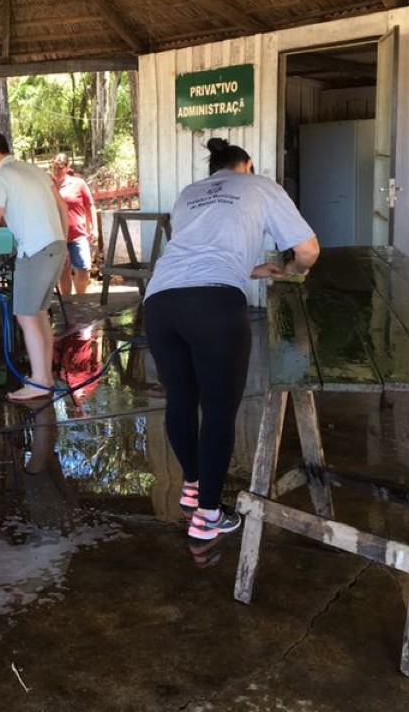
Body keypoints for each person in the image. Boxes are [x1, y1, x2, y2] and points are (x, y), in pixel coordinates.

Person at [144, 138, 319, 541]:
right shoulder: (261, 185)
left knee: (181, 400)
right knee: (219, 410)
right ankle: (207, 516)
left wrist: (255, 270)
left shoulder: (190, 194)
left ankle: (192, 486)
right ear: (249, 164)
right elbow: (308, 250)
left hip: (160, 302)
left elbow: (200, 251)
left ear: (214, 172)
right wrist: (292, 268)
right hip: (214, 306)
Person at [0, 128, 69, 401]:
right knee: (38, 313)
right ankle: (45, 375)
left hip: (35, 250)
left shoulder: (0, 179)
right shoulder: (35, 170)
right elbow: (63, 208)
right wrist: (62, 243)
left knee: (26, 315)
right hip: (55, 246)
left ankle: (40, 380)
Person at [50, 153, 96, 295]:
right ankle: (68, 302)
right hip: (58, 234)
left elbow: (90, 205)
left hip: (78, 233)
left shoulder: (78, 183)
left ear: (67, 167)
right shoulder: (48, 185)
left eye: (60, 168)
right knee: (63, 270)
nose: (57, 171)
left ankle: (81, 299)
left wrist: (95, 228)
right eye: (54, 167)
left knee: (83, 268)